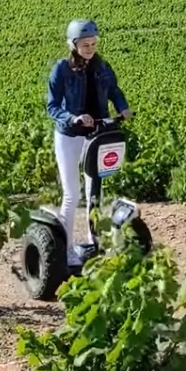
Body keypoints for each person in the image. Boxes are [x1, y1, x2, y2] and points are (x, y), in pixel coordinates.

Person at [46, 19, 131, 264]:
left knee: (95, 192)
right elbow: (52, 106)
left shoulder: (102, 67)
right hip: (69, 136)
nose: (90, 48)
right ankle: (67, 250)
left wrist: (123, 108)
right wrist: (73, 118)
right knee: (72, 194)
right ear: (73, 45)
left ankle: (95, 244)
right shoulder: (61, 69)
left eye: (93, 44)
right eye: (85, 44)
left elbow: (114, 90)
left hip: (96, 135)